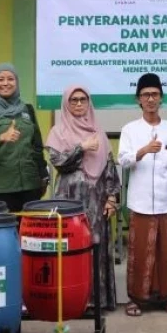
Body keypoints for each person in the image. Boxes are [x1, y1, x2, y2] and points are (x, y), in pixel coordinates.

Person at [45, 85, 120, 311]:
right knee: (70, 247)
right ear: (66, 104)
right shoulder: (58, 132)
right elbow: (58, 162)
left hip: (97, 200)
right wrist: (81, 147)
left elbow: (109, 167)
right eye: (73, 100)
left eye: (83, 100)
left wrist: (112, 198)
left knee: (95, 245)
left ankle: (97, 299)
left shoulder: (99, 132)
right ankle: (71, 298)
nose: (78, 104)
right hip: (69, 200)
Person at [118, 73, 167, 316]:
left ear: (161, 98)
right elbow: (122, 160)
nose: (150, 99)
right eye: (146, 95)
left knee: (166, 252)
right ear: (138, 100)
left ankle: (165, 296)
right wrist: (143, 151)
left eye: (155, 94)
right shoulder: (130, 130)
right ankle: (136, 298)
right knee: (139, 252)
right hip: (140, 201)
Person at [0, 63, 49, 213]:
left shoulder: (27, 109)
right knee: (2, 234)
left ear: (17, 82)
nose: (6, 83)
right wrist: (1, 137)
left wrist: (43, 176)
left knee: (29, 234)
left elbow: (37, 146)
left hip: (30, 186)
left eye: (10, 79)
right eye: (0, 79)